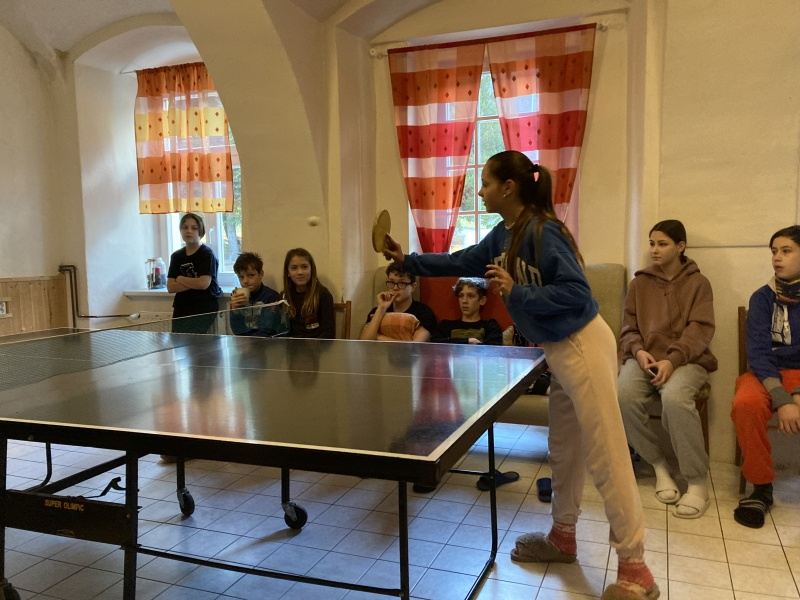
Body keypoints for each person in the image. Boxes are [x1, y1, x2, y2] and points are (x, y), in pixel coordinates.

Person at [382, 150, 658, 600]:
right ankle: (562, 537)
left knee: (606, 453)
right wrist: (408, 261)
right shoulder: (504, 233)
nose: (480, 192)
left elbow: (576, 293)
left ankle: (636, 568)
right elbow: (461, 260)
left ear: (508, 188)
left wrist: (519, 293)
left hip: (583, 343)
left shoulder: (545, 231)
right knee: (563, 449)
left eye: (486, 183)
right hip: (557, 349)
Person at [617, 220, 717, 519]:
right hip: (645, 358)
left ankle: (697, 482)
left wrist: (672, 360)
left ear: (680, 246)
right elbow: (628, 327)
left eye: (662, 244)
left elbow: (701, 329)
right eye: (652, 243)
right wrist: (639, 351)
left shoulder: (699, 283)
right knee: (623, 395)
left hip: (688, 360)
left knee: (674, 398)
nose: (655, 249)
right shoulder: (639, 284)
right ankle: (659, 466)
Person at [731, 225, 800, 528]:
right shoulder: (762, 298)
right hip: (766, 372)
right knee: (745, 404)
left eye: (786, 251)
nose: (777, 258)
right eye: (774, 251)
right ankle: (761, 488)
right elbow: (758, 353)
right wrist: (783, 399)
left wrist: (797, 394)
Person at [167, 212, 222, 334]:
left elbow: (203, 284)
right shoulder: (176, 256)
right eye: (185, 227)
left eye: (194, 228)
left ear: (200, 231)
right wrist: (194, 282)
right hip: (182, 306)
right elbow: (170, 287)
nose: (189, 231)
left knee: (196, 342)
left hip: (203, 306)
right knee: (177, 340)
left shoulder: (206, 254)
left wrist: (181, 279)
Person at [359, 263, 437, 342]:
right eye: (391, 282)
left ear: (413, 286)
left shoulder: (423, 313)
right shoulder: (377, 311)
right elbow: (365, 343)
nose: (395, 288)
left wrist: (378, 337)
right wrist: (381, 308)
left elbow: (414, 346)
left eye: (401, 283)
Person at [282, 248, 335, 339]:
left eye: (304, 267)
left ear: (312, 270)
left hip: (316, 346)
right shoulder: (284, 296)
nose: (300, 272)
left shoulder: (323, 295)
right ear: (288, 273)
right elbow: (282, 331)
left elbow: (328, 333)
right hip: (291, 346)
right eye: (294, 268)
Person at [431, 278, 503, 345]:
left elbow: (493, 349)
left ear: (482, 300)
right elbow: (434, 344)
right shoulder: (446, 326)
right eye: (461, 296)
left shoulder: (490, 326)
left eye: (470, 296)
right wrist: (468, 341)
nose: (464, 301)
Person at [229, 251, 283, 337]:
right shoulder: (236, 296)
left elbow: (268, 330)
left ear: (261, 274)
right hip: (243, 341)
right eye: (241, 277)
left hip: (265, 342)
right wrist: (235, 311)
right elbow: (236, 330)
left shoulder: (271, 297)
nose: (245, 281)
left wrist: (249, 341)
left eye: (251, 275)